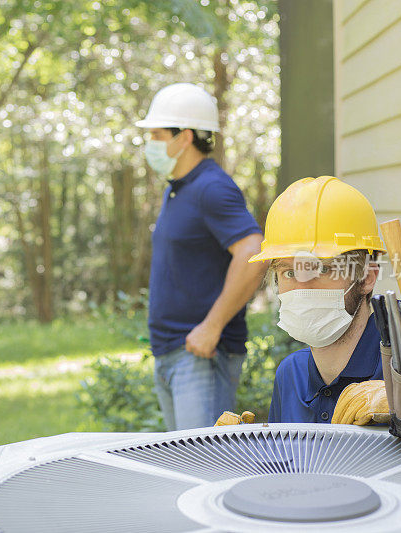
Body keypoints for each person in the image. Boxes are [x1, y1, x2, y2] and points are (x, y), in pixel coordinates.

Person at [134, 83, 268, 431]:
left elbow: (254, 251)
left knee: (206, 467)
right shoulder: (178, 190)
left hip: (201, 357)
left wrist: (212, 327)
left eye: (157, 134)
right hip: (172, 354)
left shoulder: (212, 187)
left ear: (185, 137)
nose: (151, 143)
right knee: (187, 464)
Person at [246, 176, 388, 424]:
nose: (302, 287)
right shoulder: (291, 374)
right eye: (289, 272)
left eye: (322, 269)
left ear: (366, 278)